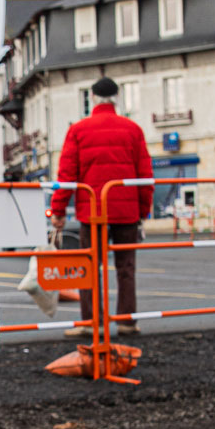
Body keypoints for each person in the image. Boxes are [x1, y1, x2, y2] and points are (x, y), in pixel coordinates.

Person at [48, 77, 153, 336]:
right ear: (117, 98)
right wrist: (142, 211)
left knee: (90, 268)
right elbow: (145, 175)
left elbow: (67, 176)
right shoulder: (133, 130)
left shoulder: (78, 130)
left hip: (93, 212)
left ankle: (92, 323)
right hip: (126, 212)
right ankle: (127, 321)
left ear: (92, 98)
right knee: (126, 268)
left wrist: (58, 212)